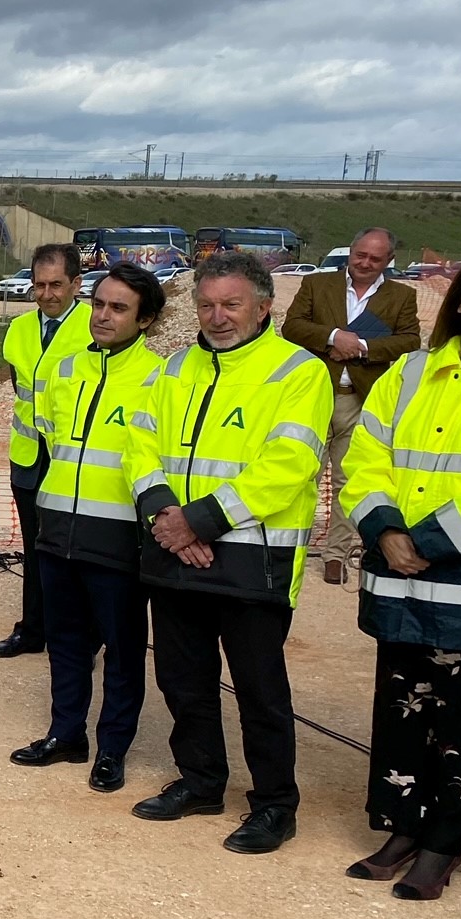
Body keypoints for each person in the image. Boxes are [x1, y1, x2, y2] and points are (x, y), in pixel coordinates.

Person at [126, 250, 332, 854]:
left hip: (251, 560)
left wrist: (199, 522)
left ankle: (273, 804)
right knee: (182, 681)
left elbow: (288, 466)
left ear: (265, 306)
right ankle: (200, 782)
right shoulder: (172, 369)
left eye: (231, 304)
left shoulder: (298, 372)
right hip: (174, 551)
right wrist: (166, 513)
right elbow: (139, 444)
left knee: (260, 690)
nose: (217, 317)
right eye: (207, 304)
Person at [337, 256, 461, 899]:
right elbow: (367, 456)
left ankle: (446, 839)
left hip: (459, 573)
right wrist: (385, 529)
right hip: (402, 572)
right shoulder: (412, 372)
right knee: (403, 704)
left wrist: (428, 540)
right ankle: (404, 825)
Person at [9, 263, 166, 793]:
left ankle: (112, 748)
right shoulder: (68, 368)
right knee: (67, 643)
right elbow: (53, 442)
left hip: (118, 535)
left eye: (118, 307)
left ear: (145, 320)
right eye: (99, 304)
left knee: (122, 650)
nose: (102, 315)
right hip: (58, 530)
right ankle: (66, 734)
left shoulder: (159, 379)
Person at [279, 227, 422, 584]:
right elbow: (292, 326)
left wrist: (361, 346)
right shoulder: (317, 284)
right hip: (311, 396)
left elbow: (409, 341)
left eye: (375, 258)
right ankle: (284, 547)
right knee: (298, 473)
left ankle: (336, 554)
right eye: (360, 255)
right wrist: (332, 338)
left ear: (389, 261)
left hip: (359, 399)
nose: (365, 263)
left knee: (347, 480)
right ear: (351, 252)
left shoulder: (402, 296)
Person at [0, 242, 94, 657]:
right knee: (36, 551)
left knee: (76, 553)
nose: (47, 294)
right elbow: (21, 386)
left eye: (56, 284)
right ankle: (33, 629)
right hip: (29, 459)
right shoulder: (19, 330)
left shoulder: (95, 326)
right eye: (39, 285)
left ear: (76, 284)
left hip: (74, 462)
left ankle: (80, 640)